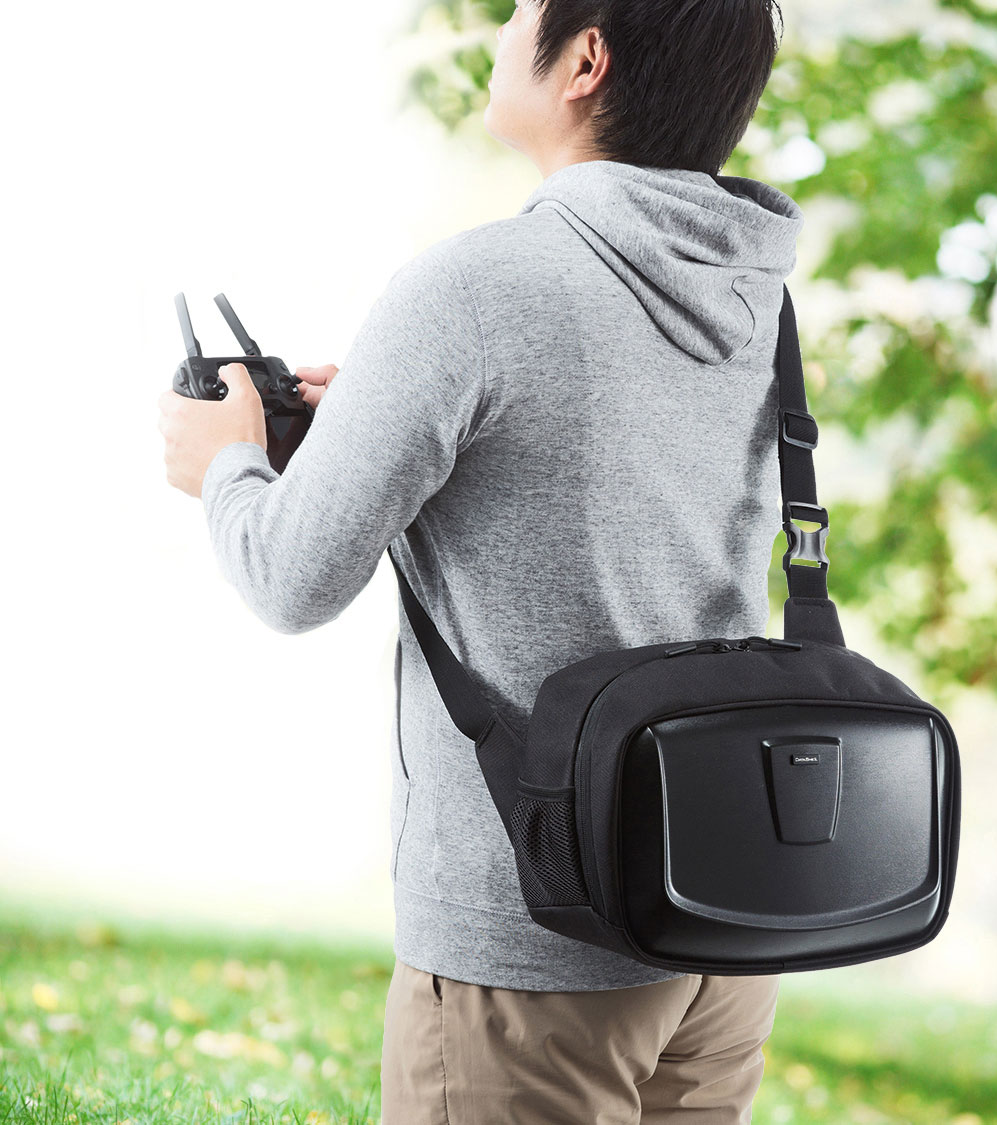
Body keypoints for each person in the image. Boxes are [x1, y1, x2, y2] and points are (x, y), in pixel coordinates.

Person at [157, 0, 801, 1118]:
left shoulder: (474, 287)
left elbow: (289, 577)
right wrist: (385, 424)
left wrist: (224, 465)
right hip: (719, 920)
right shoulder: (757, 299)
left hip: (531, 944)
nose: (503, 27)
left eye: (522, 9)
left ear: (585, 60)